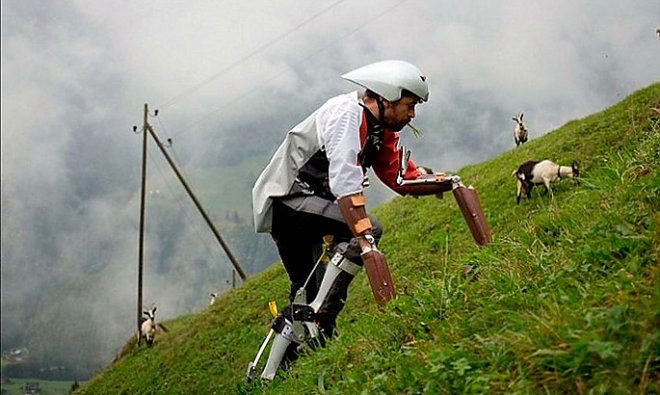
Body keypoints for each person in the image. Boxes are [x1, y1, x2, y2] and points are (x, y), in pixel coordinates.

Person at [251, 60, 452, 379]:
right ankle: (322, 317)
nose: (412, 115)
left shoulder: (380, 129)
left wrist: (443, 182)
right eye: (410, 105)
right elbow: (345, 183)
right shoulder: (347, 114)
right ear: (388, 97)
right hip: (287, 199)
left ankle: (273, 377)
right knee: (368, 230)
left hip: (309, 205)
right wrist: (362, 233)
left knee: (305, 289)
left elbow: (398, 176)